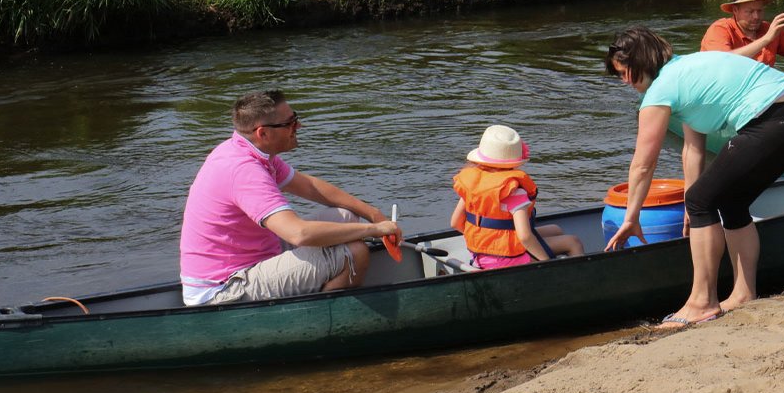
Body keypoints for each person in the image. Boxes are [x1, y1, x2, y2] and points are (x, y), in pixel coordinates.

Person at [604, 26, 784, 328]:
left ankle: (702, 301)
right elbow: (693, 149)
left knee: (703, 199)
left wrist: (632, 216)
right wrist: (693, 208)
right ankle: (744, 294)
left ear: (641, 61)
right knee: (730, 200)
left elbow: (643, 164)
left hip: (780, 119)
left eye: (625, 72)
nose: (624, 81)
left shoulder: (661, 90)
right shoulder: (686, 72)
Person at [178, 90, 400, 306]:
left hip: (256, 256)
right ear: (263, 133)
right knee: (353, 252)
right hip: (222, 288)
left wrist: (373, 214)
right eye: (290, 123)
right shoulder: (243, 170)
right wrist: (375, 230)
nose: (298, 126)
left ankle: (321, 291)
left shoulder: (250, 151)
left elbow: (311, 187)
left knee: (344, 216)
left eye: (296, 119)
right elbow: (299, 234)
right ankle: (322, 320)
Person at [449, 124, 586, 269]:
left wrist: (487, 239)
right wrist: (545, 261)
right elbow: (525, 236)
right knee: (573, 242)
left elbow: (455, 223)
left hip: (478, 255)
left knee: (556, 229)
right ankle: (578, 280)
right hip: (506, 259)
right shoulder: (513, 190)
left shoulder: (474, 185)